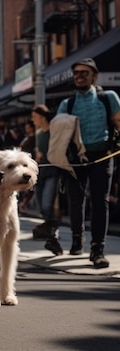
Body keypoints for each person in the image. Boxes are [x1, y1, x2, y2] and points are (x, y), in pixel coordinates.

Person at [56, 58, 120, 268]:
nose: (79, 76)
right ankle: (77, 239)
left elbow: (118, 121)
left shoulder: (108, 97)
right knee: (76, 200)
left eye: (84, 73)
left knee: (100, 201)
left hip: (103, 155)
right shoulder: (67, 104)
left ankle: (97, 249)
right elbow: (59, 135)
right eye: (76, 73)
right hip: (76, 159)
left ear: (94, 76)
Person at [29, 105, 62, 255]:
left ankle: (52, 229)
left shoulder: (53, 131)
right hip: (40, 171)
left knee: (48, 202)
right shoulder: (38, 133)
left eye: (34, 117)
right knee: (41, 204)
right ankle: (51, 229)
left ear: (42, 117)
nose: (33, 120)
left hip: (53, 171)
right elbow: (39, 152)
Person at [18, 120, 37, 212]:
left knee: (30, 187)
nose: (27, 129)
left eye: (28, 127)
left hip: (30, 164)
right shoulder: (27, 138)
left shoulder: (35, 138)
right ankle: (22, 204)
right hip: (22, 163)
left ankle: (24, 204)